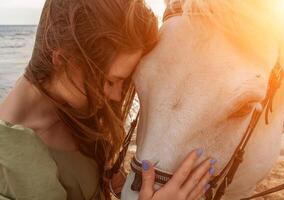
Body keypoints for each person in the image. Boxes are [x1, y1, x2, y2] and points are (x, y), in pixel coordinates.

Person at [0, 0, 216, 199]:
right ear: (63, 60)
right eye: (111, 81)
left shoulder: (78, 111)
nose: (117, 95)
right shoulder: (7, 164)